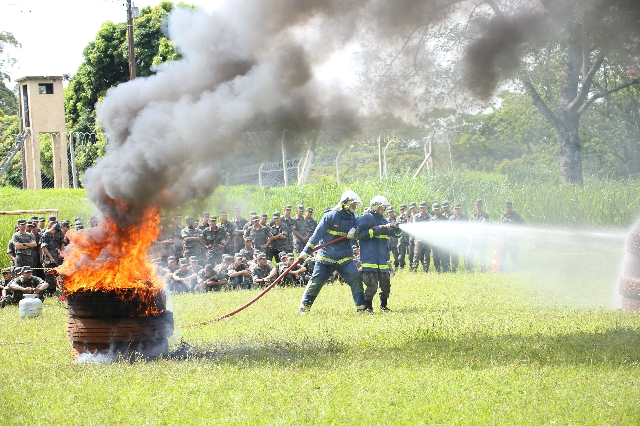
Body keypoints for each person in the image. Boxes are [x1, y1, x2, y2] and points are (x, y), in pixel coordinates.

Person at [298, 190, 366, 314]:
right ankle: (304, 308)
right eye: (353, 205)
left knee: (355, 278)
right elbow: (316, 235)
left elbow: (362, 229)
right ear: (346, 204)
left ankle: (361, 308)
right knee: (316, 282)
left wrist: (356, 232)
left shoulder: (355, 219)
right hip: (326, 257)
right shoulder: (330, 216)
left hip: (344, 257)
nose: (355, 208)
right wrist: (306, 251)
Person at [357, 195, 402, 313]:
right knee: (372, 286)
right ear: (375, 207)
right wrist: (377, 230)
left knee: (386, 286)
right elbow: (360, 234)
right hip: (370, 259)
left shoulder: (385, 221)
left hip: (383, 261)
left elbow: (396, 235)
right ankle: (368, 308)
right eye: (382, 208)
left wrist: (397, 229)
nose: (384, 210)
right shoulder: (367, 219)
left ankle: (384, 307)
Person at [498, 200, 525, 272]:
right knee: (502, 255)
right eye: (506, 207)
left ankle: (513, 270)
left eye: (509, 207)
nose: (508, 208)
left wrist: (518, 235)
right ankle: (501, 270)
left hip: (513, 240)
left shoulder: (516, 216)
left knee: (513, 256)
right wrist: (500, 235)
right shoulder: (502, 216)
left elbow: (523, 225)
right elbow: (499, 226)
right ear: (504, 207)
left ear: (511, 207)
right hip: (504, 240)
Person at [466, 199, 490, 272]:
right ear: (475, 206)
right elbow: (469, 226)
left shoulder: (485, 215)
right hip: (473, 240)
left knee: (482, 257)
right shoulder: (472, 216)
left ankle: (483, 271)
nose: (478, 206)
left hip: (482, 240)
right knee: (468, 256)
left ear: (482, 205)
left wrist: (475, 225)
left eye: (479, 204)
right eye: (477, 205)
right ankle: (469, 271)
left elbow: (482, 224)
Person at [40, 223, 64, 295]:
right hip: (48, 260)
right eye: (56, 231)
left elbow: (53, 246)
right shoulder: (45, 235)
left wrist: (58, 251)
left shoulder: (53, 235)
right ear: (52, 229)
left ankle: (54, 290)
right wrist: (50, 257)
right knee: (49, 276)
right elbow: (44, 247)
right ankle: (50, 292)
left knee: (55, 276)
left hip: (55, 258)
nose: (56, 233)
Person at [449, 203, 468, 272]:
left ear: (461, 209)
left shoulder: (465, 218)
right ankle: (454, 269)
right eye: (455, 209)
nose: (457, 210)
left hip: (463, 240)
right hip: (454, 240)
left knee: (465, 256)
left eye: (458, 208)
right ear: (453, 210)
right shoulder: (451, 218)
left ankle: (468, 269)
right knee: (454, 256)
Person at [412, 202, 431, 273]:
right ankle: (414, 269)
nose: (422, 209)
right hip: (419, 239)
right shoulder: (416, 217)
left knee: (427, 255)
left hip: (427, 239)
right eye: (421, 208)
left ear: (426, 207)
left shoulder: (429, 217)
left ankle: (426, 269)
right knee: (417, 254)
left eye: (423, 207)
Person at [430, 203, 449, 273]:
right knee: (435, 257)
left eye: (437, 209)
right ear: (433, 210)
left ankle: (445, 270)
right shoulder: (431, 219)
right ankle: (438, 270)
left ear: (440, 209)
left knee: (443, 256)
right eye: (435, 209)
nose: (436, 211)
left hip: (442, 241)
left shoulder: (444, 219)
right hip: (434, 242)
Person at [395, 204, 411, 269]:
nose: (402, 210)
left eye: (403, 209)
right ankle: (402, 267)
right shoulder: (398, 218)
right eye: (401, 209)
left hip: (409, 238)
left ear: (406, 209)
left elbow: (411, 225)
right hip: (401, 239)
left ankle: (411, 267)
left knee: (411, 254)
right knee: (401, 254)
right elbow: (397, 228)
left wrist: (407, 217)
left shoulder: (411, 217)